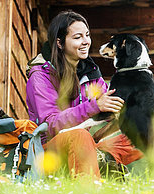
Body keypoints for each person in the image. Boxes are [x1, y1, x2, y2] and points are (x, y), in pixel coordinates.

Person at [25, 10, 143, 177]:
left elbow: (111, 103)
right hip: (49, 151)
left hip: (85, 144)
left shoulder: (89, 72)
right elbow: (50, 125)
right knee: (80, 137)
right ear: (60, 43)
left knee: (145, 131)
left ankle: (101, 158)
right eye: (77, 37)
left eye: (87, 35)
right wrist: (95, 106)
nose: (86, 41)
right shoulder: (40, 77)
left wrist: (127, 107)